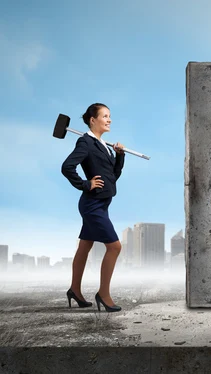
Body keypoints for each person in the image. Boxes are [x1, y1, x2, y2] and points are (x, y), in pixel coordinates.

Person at [61, 103, 126, 312]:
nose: (109, 120)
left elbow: (112, 177)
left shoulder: (103, 145)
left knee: (85, 246)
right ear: (92, 120)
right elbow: (67, 167)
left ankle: (75, 291)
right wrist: (85, 184)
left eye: (110, 116)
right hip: (92, 205)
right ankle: (103, 295)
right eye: (105, 116)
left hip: (102, 203)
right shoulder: (86, 142)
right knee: (115, 247)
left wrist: (119, 156)